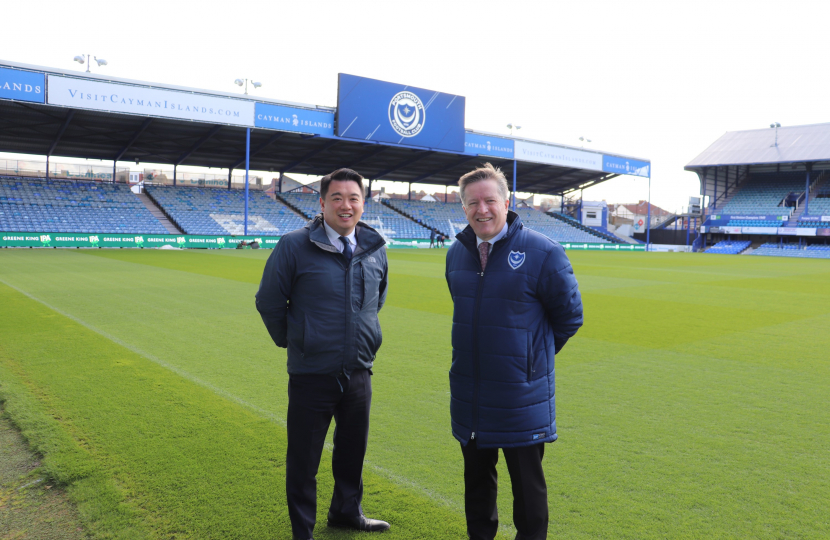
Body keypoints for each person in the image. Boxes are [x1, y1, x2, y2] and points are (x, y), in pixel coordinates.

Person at [445, 163, 583, 540]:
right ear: (463, 208)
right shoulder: (456, 254)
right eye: (473, 203)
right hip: (472, 395)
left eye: (490, 201)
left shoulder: (543, 252)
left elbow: (570, 317)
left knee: (528, 493)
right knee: (477, 486)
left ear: (507, 203)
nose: (482, 210)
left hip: (521, 398)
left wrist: (529, 361)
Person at [256, 168, 390, 540]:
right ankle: (303, 531)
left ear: (363, 203)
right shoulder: (294, 245)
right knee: (304, 459)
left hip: (359, 371)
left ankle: (346, 512)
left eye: (353, 198)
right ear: (322, 203)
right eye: (337, 198)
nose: (346, 206)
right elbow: (269, 301)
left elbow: (376, 302)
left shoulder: (375, 248)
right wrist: (296, 341)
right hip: (312, 373)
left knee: (352, 451)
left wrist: (364, 340)